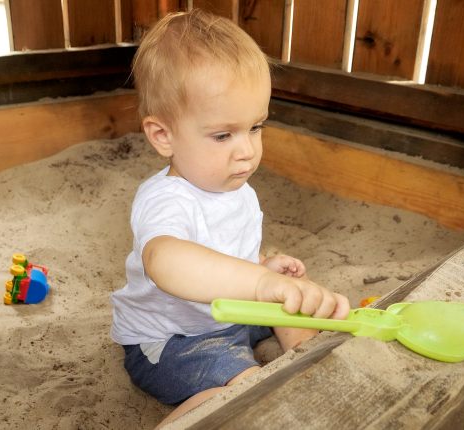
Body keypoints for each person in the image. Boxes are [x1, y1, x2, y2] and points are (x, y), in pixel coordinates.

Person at [110, 9, 351, 427]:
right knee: (245, 389)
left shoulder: (237, 188)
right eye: (223, 135)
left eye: (255, 127)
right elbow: (166, 261)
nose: (246, 151)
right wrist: (260, 282)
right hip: (174, 340)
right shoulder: (167, 199)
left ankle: (306, 362)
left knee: (295, 299)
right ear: (163, 136)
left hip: (230, 316)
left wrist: (262, 268)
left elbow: (226, 257)